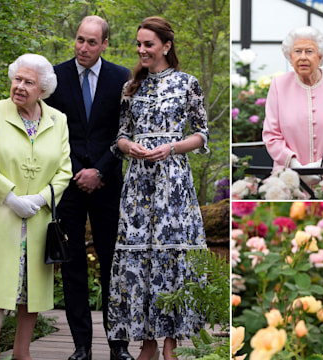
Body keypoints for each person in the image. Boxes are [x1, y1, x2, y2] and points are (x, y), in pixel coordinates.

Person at [107, 16, 209, 360]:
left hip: (173, 182)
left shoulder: (187, 84)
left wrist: (172, 147)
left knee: (170, 256)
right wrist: (128, 146)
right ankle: (147, 345)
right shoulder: (131, 87)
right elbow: (120, 135)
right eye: (138, 44)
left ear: (166, 46)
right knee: (141, 258)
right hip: (138, 184)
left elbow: (201, 135)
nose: (141, 50)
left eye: (148, 44)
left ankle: (170, 346)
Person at [0, 53, 72, 360]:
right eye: (17, 79)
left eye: (29, 82)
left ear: (43, 89)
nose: (20, 87)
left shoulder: (58, 119)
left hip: (38, 220)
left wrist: (41, 199)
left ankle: (22, 354)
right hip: (1, 216)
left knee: (31, 292)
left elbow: (64, 170)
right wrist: (11, 197)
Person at [45, 15, 132, 360]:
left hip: (108, 183)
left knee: (114, 264)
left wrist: (100, 170)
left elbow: (125, 131)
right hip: (68, 183)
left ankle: (118, 345)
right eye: (80, 39)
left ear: (105, 44)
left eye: (91, 42)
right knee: (73, 266)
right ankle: (81, 346)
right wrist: (80, 170)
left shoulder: (121, 78)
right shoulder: (56, 76)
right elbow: (50, 132)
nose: (83, 47)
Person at [262, 26, 323, 185]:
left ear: (320, 56)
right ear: (290, 56)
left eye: (309, 51)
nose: (303, 57)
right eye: (297, 51)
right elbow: (271, 134)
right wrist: (295, 167)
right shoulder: (279, 85)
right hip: (289, 178)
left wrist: (322, 166)